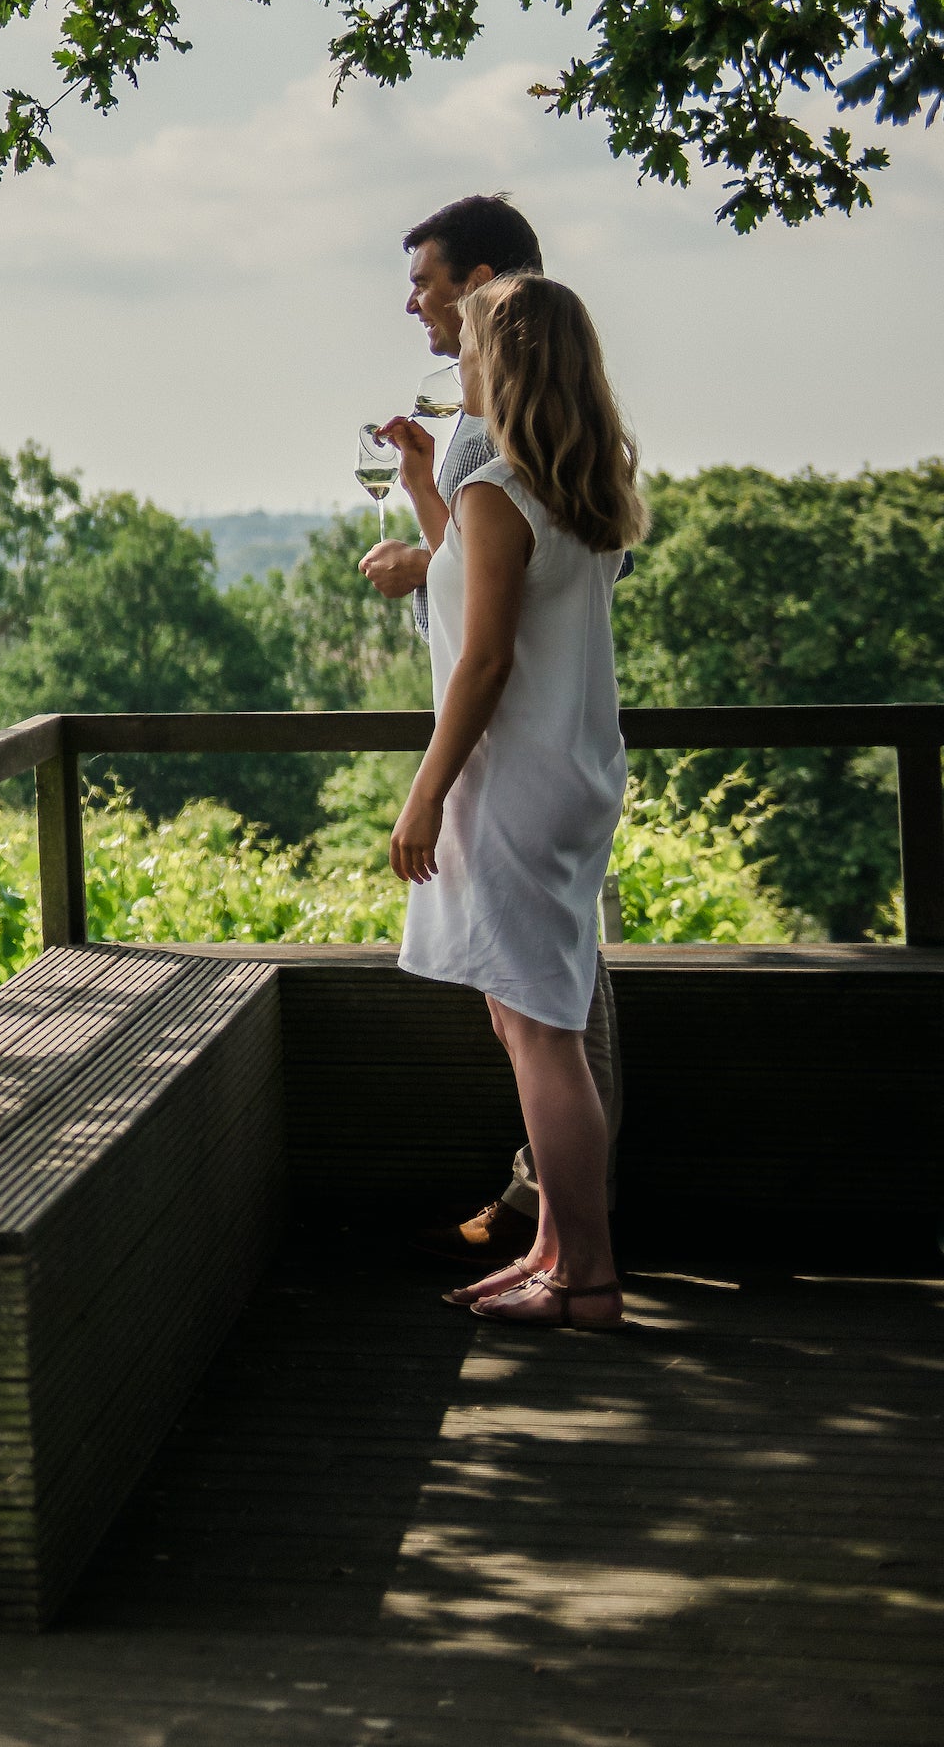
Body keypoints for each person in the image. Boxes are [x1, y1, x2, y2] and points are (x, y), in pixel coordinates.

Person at [375, 272, 645, 1329]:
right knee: (524, 1014)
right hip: (569, 775)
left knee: (540, 1032)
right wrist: (420, 485)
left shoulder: (501, 493)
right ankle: (551, 1250)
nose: (458, 363)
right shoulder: (574, 492)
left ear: (505, 362)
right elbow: (483, 590)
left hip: (514, 785)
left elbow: (482, 662)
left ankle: (588, 1279)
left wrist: (422, 794)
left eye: (471, 346)